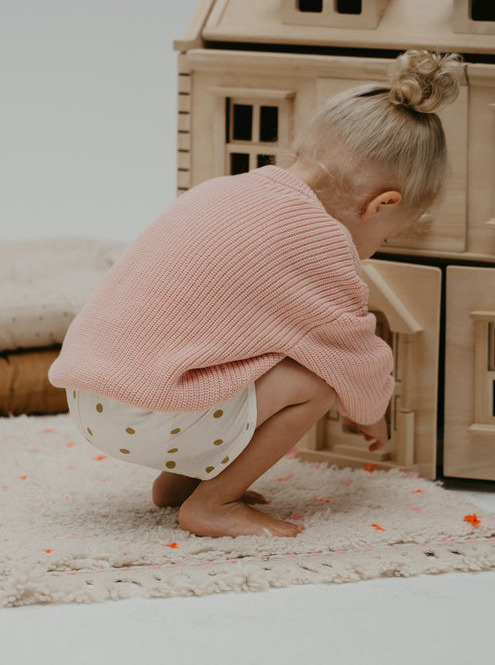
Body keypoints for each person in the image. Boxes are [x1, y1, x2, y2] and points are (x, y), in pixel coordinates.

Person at [49, 50, 461, 538]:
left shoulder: (225, 189)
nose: (377, 248)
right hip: (149, 413)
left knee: (235, 355)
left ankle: (177, 485)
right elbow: (352, 348)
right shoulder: (319, 239)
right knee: (315, 380)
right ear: (381, 205)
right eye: (389, 235)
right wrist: (370, 411)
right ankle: (214, 502)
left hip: (92, 396)